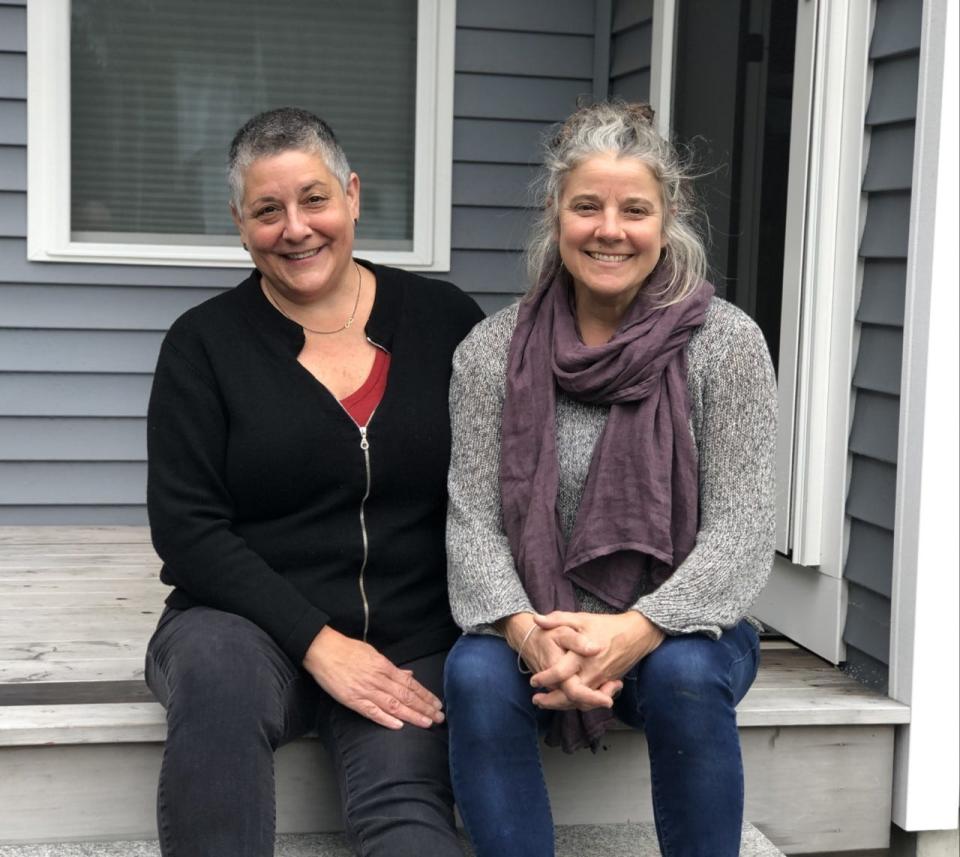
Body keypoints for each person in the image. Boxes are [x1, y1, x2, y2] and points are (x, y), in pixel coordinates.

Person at [144, 107, 483, 857]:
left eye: (315, 198)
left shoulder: (445, 320)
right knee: (216, 676)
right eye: (268, 210)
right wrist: (320, 642)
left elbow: (501, 485)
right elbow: (188, 530)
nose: (296, 228)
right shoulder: (204, 345)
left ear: (354, 195)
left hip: (407, 642)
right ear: (240, 223)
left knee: (408, 819)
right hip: (244, 629)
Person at [442, 100, 777, 857]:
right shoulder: (492, 352)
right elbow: (473, 522)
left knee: (688, 671)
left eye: (634, 209)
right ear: (557, 213)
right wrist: (532, 638)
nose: (609, 230)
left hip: (681, 627)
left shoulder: (727, 346)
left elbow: (743, 528)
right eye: (587, 206)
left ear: (668, 217)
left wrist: (633, 633)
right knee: (473, 671)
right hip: (539, 625)